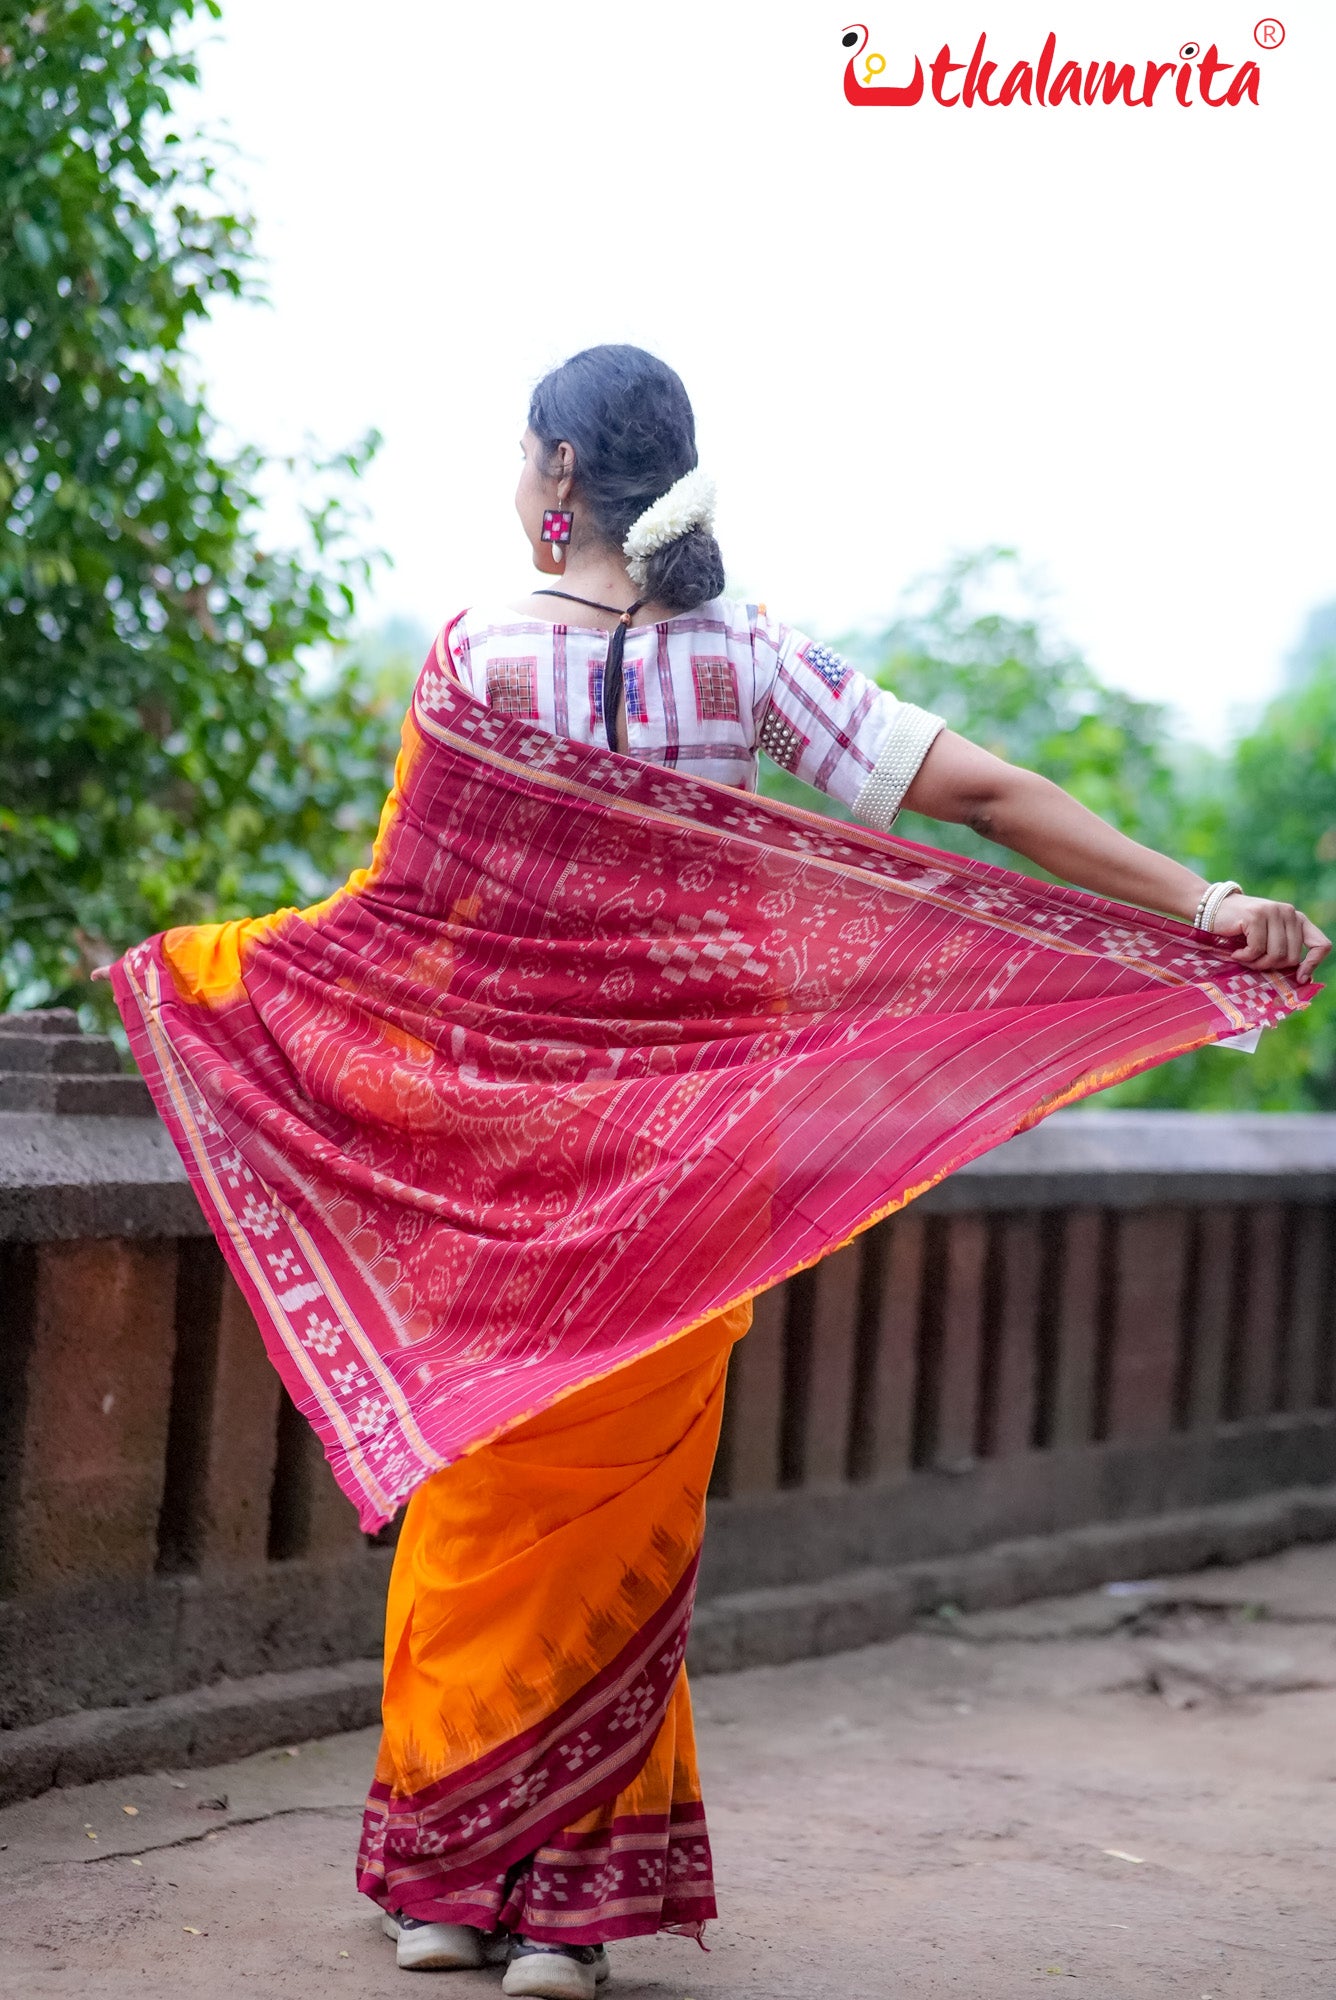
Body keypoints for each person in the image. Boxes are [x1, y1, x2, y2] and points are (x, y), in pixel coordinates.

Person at [108, 345, 1327, 2000]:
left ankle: (449, 1891)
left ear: (554, 475)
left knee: (481, 1487)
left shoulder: (474, 659)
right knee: (624, 1522)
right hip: (691, 1175)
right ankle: (572, 1917)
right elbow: (974, 794)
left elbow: (404, 926)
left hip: (502, 1165)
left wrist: (220, 983)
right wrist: (1200, 904)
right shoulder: (750, 660)